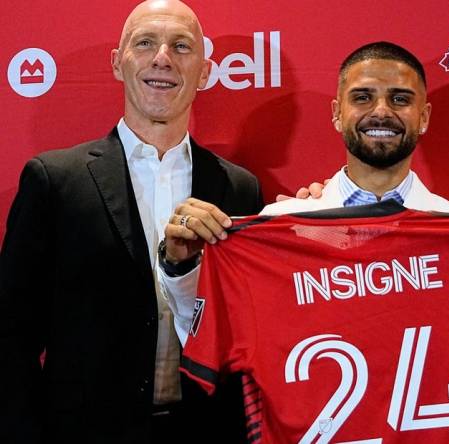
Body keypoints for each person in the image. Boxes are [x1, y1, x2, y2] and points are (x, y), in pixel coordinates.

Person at [160, 41, 449, 349]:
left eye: (401, 99)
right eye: (363, 97)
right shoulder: (279, 228)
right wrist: (181, 267)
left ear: (423, 118)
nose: (382, 111)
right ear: (337, 113)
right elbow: (208, 335)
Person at [0, 1, 261, 443]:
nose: (163, 58)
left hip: (206, 430)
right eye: (145, 43)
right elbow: (10, 335)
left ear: (204, 72)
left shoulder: (239, 188)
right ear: (118, 63)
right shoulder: (55, 180)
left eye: (181, 46)